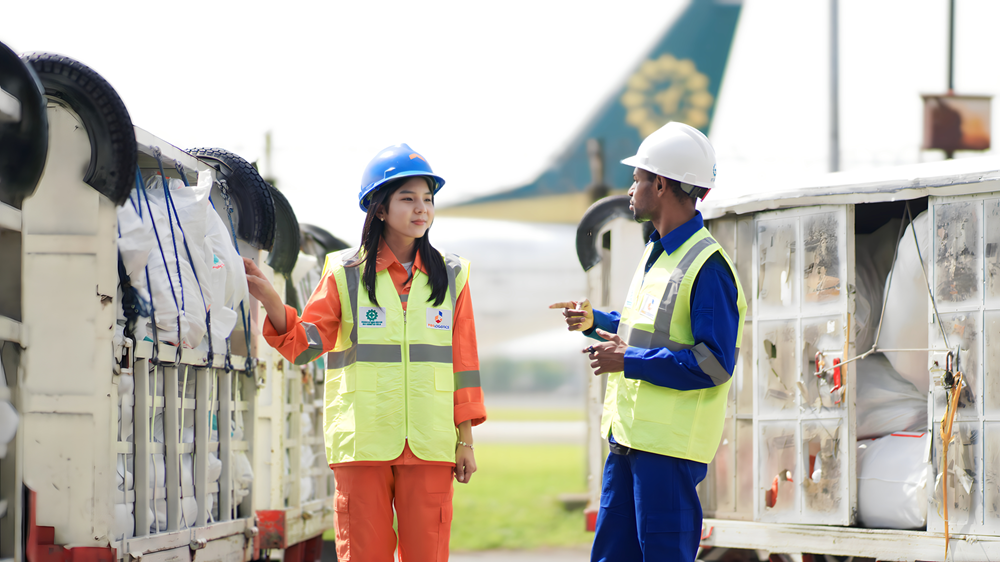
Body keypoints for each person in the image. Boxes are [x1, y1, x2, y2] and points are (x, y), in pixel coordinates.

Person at [245, 143, 486, 562]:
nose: (421, 210)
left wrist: (465, 440)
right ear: (378, 208)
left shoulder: (453, 274)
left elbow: (463, 364)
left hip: (430, 445)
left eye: (428, 200)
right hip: (363, 443)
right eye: (408, 199)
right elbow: (306, 347)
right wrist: (270, 301)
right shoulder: (345, 272)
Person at [550, 122, 746, 562]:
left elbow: (713, 363)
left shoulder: (708, 267)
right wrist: (595, 320)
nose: (632, 187)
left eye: (637, 177)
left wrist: (629, 360)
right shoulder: (658, 252)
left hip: (667, 450)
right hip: (629, 442)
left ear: (660, 184)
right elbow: (644, 328)